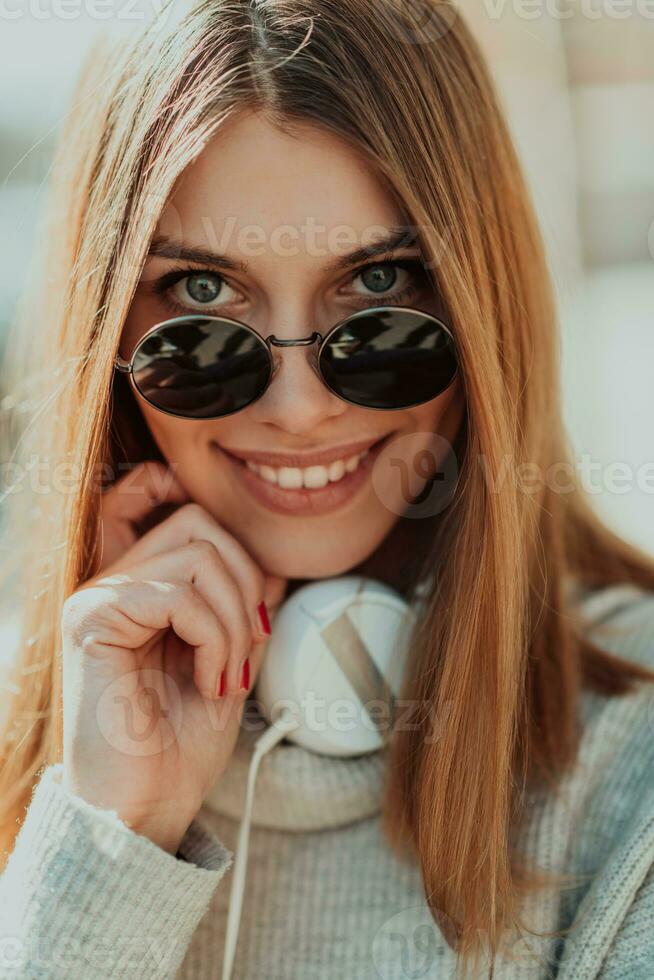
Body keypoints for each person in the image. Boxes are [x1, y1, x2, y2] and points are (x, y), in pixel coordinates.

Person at [1, 2, 653, 978]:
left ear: (480, 304)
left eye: (381, 282)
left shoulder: (631, 760)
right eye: (204, 298)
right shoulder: (36, 726)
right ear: (109, 328)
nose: (299, 408)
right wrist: (111, 835)